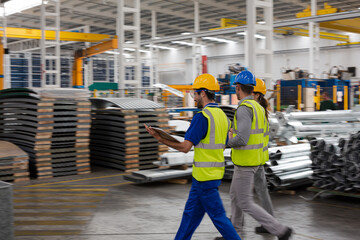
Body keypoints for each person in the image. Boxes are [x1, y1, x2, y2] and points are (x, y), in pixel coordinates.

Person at [145, 73, 241, 240]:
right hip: (208, 175)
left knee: (219, 219)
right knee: (190, 216)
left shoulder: (202, 117)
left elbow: (184, 147)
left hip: (205, 177)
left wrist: (161, 138)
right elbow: (223, 142)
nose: (194, 97)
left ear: (203, 93)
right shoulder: (223, 118)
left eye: (195, 93)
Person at [227, 71, 293, 240]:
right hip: (254, 159)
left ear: (239, 88)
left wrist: (227, 141)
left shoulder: (244, 109)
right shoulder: (258, 108)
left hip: (246, 161)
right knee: (235, 196)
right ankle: (234, 232)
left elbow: (241, 138)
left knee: (244, 202)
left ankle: (280, 229)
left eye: (235, 87)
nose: (235, 90)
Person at [251, 78, 274, 234]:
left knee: (240, 195)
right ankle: (270, 223)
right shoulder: (262, 111)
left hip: (251, 157)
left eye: (250, 93)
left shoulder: (254, 110)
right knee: (261, 190)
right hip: (259, 155)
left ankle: (234, 227)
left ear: (257, 95)